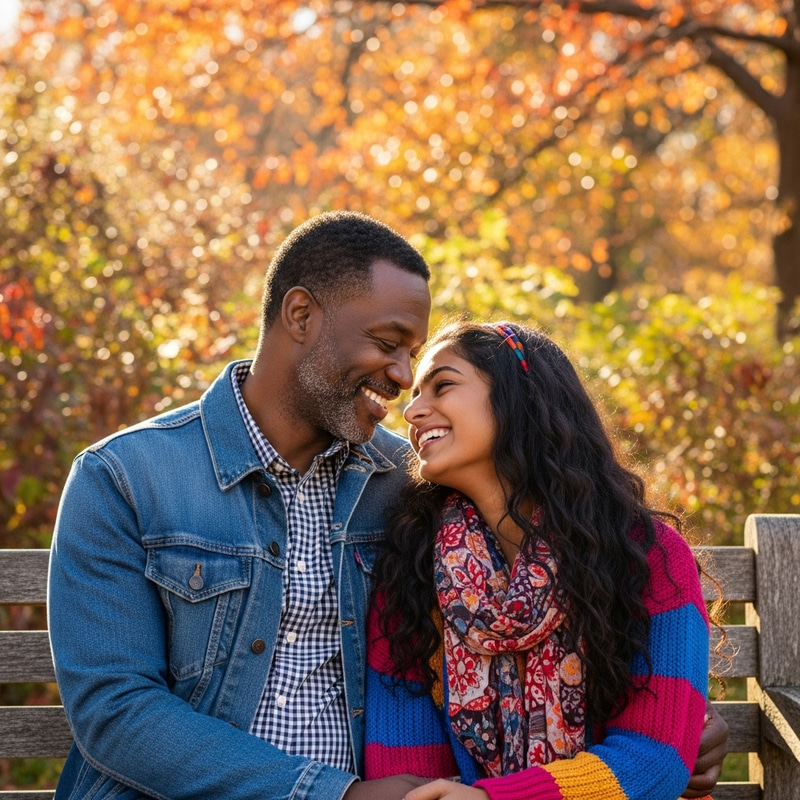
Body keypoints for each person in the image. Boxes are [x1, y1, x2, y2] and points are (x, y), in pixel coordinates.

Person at [48, 212, 726, 800]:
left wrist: (673, 728)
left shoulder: (410, 491)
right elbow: (116, 711)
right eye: (388, 344)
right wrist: (334, 794)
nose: (403, 382)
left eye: (420, 361)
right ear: (301, 315)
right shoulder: (126, 480)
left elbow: (569, 585)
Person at [364, 318, 721, 800]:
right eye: (414, 396)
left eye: (442, 386)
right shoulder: (410, 570)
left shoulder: (645, 555)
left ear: (520, 397)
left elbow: (656, 760)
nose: (413, 410)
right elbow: (404, 760)